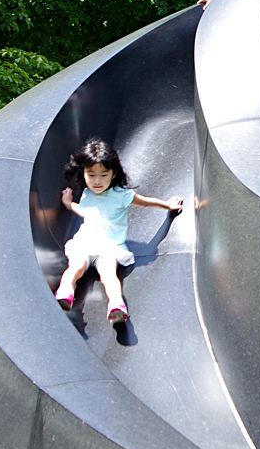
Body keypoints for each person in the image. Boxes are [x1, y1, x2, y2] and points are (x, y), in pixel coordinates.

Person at [55, 138, 182, 324]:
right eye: (91, 175)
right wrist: (69, 204)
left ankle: (116, 304)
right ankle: (66, 291)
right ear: (83, 173)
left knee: (109, 275)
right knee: (76, 267)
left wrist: (167, 205)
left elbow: (146, 202)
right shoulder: (87, 194)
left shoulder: (121, 195)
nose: (97, 181)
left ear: (113, 173)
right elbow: (88, 213)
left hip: (109, 246)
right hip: (84, 242)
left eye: (103, 175)